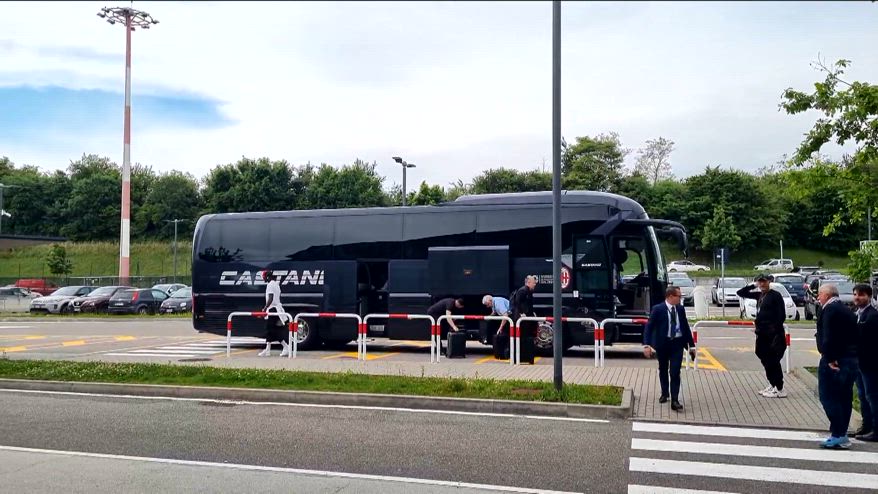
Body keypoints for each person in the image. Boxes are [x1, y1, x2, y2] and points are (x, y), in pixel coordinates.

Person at [815, 283, 859, 449]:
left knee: (828, 396)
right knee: (844, 397)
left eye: (820, 294)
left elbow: (829, 336)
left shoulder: (829, 309)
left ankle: (838, 433)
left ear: (826, 295)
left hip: (836, 360)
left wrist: (829, 358)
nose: (818, 297)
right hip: (851, 358)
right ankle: (841, 433)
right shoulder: (846, 310)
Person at [643, 286, 696, 412]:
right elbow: (649, 327)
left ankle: (675, 400)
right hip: (663, 344)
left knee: (675, 372)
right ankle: (665, 392)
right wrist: (647, 345)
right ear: (671, 296)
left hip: (677, 344)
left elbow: (685, 327)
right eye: (679, 296)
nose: (680, 298)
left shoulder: (680, 309)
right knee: (663, 369)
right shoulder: (658, 309)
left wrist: (692, 346)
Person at [737, 273, 787, 398]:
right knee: (762, 355)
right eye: (760, 282)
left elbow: (781, 315)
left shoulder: (775, 295)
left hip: (773, 334)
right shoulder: (760, 295)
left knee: (773, 360)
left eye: (764, 281)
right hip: (762, 333)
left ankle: (779, 388)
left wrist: (774, 330)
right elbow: (741, 292)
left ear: (769, 282)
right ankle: (772, 383)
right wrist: (753, 285)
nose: (762, 284)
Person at [852, 284, 878, 441]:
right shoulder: (856, 314)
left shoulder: (872, 316)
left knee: (872, 396)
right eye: (855, 294)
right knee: (862, 395)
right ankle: (866, 426)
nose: (857, 298)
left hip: (870, 364)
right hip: (858, 363)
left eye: (861, 295)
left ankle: (876, 429)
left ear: (869, 296)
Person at [259, 270, 291, 358]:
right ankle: (268, 349)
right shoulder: (276, 284)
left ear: (268, 277)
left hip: (273, 309)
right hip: (277, 309)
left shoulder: (270, 285)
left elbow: (270, 298)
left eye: (264, 277)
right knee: (271, 330)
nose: (263, 279)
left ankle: (285, 346)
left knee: (271, 330)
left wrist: (265, 308)